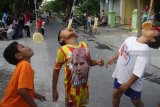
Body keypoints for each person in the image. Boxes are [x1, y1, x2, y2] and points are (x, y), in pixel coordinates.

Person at [106, 24, 160, 107]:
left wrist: (127, 84)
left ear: (152, 39)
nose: (151, 28)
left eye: (154, 30)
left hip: (132, 83)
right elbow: (122, 51)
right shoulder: (131, 39)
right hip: (119, 76)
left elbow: (138, 72)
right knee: (115, 95)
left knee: (136, 101)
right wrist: (113, 58)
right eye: (152, 27)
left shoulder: (144, 50)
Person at [52, 28, 104, 107]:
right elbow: (56, 70)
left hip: (84, 88)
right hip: (72, 91)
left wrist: (97, 62)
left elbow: (88, 62)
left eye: (69, 28)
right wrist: (54, 89)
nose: (68, 28)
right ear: (61, 40)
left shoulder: (84, 45)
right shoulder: (62, 50)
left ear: (76, 34)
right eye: (65, 29)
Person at [0, 42, 46, 107]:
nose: (27, 47)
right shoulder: (25, 65)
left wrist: (35, 95)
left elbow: (20, 88)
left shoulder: (21, 66)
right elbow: (22, 90)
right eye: (22, 47)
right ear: (18, 55)